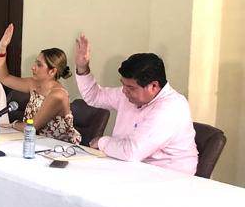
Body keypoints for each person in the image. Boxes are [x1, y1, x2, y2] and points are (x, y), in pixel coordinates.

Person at [75, 35, 197, 174]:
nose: (124, 91)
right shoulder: (128, 94)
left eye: (131, 87)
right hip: (130, 168)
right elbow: (94, 96)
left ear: (153, 86)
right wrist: (82, 68)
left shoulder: (171, 107)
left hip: (168, 177)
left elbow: (132, 152)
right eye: (123, 85)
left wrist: (102, 142)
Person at [0, 23, 81, 144]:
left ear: (52, 71)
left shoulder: (58, 95)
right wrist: (2, 48)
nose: (33, 67)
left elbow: (33, 126)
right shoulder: (33, 83)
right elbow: (3, 77)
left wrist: (13, 124)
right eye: (35, 63)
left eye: (39, 65)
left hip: (59, 148)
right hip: (35, 142)